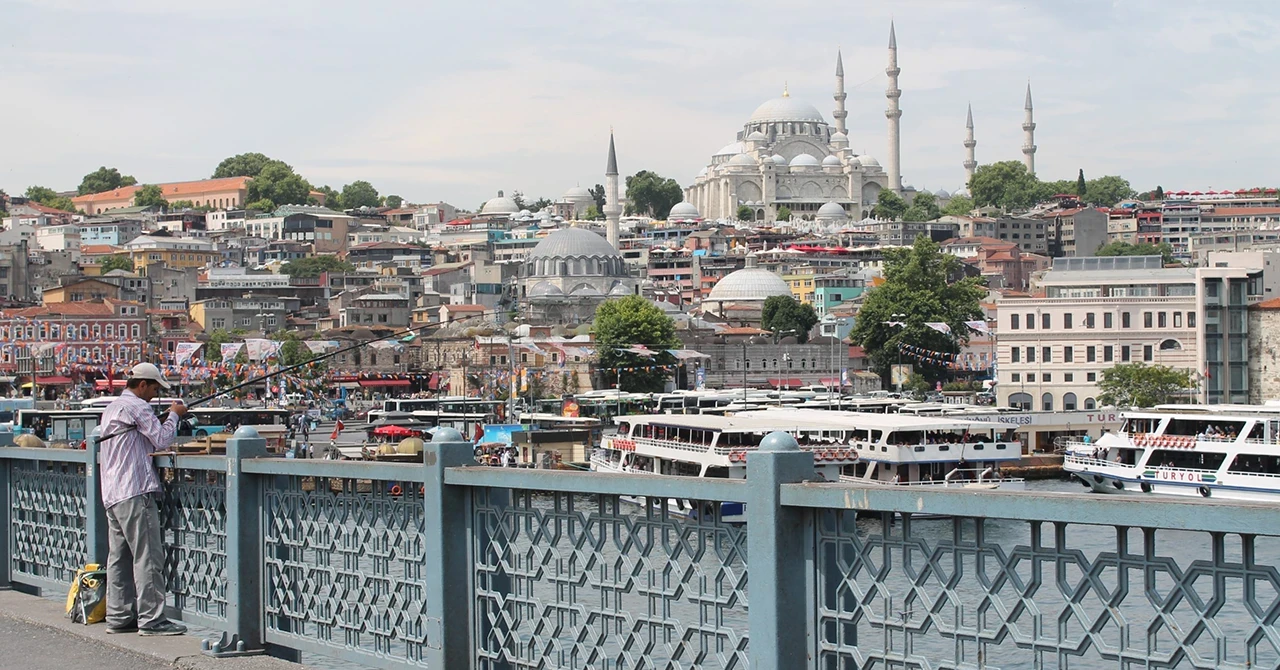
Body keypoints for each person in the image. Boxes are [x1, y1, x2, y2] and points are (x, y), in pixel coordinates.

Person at [98, 363, 188, 636]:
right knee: (147, 557)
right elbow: (161, 440)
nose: (154, 395)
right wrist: (174, 415)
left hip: (112, 492)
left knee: (119, 558)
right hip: (135, 490)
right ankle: (152, 619)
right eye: (154, 388)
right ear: (142, 385)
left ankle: (119, 616)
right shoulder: (138, 406)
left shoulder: (112, 407)